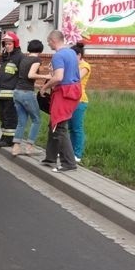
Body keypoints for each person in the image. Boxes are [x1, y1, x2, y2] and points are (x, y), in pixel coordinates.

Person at [39, 30, 82, 172]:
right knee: (54, 125)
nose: (48, 43)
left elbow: (58, 77)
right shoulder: (71, 53)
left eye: (48, 41)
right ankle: (50, 158)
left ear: (53, 40)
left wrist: (44, 87)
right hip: (74, 91)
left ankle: (69, 163)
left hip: (63, 92)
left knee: (60, 127)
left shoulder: (58, 55)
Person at [11, 39, 50, 156]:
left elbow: (23, 78)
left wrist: (37, 86)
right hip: (26, 94)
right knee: (36, 120)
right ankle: (29, 147)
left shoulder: (24, 59)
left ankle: (16, 147)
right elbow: (30, 75)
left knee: (21, 121)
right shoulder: (36, 60)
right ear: (40, 50)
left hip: (17, 92)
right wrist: (46, 75)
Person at [0, 31, 23, 147]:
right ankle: (4, 137)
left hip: (11, 94)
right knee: (2, 115)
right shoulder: (4, 58)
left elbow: (22, 76)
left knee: (10, 117)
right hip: (0, 93)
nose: (7, 46)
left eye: (9, 43)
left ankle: (10, 140)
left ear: (15, 44)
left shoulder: (20, 57)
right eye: (6, 44)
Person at [68, 42, 91, 162]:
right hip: (69, 99)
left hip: (80, 100)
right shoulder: (72, 65)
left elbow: (75, 78)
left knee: (77, 128)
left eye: (72, 56)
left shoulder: (85, 66)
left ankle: (77, 154)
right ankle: (69, 151)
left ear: (78, 55)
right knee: (70, 127)